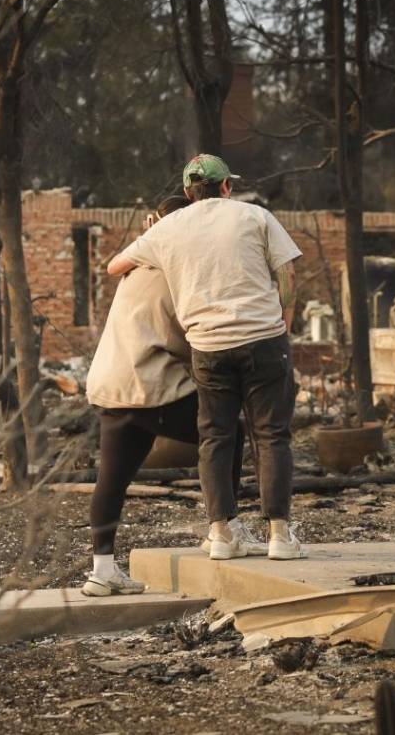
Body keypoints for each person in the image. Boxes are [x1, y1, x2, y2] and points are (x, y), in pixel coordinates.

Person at [108, 154, 305, 561]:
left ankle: (220, 534)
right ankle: (280, 536)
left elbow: (114, 266)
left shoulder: (170, 228)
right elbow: (287, 273)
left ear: (187, 192)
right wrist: (284, 324)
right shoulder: (255, 215)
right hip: (264, 339)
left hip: (209, 347)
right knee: (271, 436)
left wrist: (153, 239)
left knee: (216, 437)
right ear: (227, 186)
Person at [80, 195, 258, 596]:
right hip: (151, 383)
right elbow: (194, 335)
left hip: (113, 385)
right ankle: (223, 529)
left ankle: (102, 569)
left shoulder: (139, 266)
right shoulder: (179, 269)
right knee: (226, 433)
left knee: (112, 477)